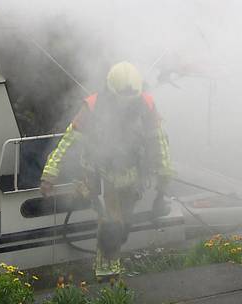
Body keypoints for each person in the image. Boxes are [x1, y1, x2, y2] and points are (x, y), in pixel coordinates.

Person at [40, 61, 172, 279]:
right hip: (100, 173)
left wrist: (163, 180)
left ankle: (112, 265)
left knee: (124, 226)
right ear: (111, 90)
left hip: (131, 173)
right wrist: (50, 174)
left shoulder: (146, 104)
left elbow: (160, 141)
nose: (127, 105)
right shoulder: (92, 106)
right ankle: (107, 274)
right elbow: (68, 141)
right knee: (111, 224)